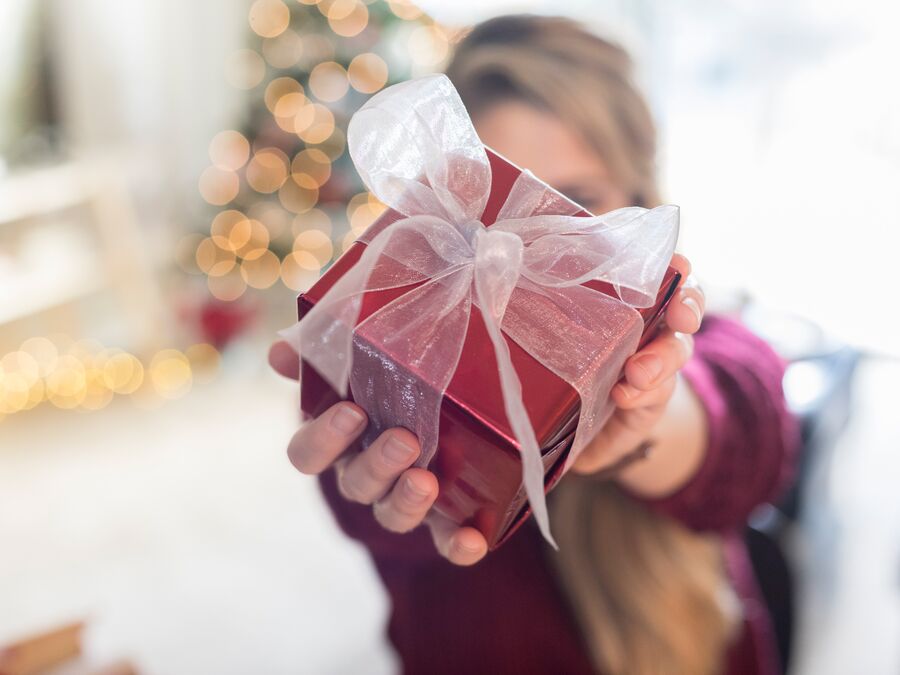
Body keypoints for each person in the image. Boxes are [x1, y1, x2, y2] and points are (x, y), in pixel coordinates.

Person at [268, 14, 798, 675]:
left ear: (638, 204)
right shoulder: (398, 345)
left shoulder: (716, 343)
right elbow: (373, 516)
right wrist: (376, 412)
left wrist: (640, 417)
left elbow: (746, 435)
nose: (519, 248)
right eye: (499, 204)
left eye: (575, 202)